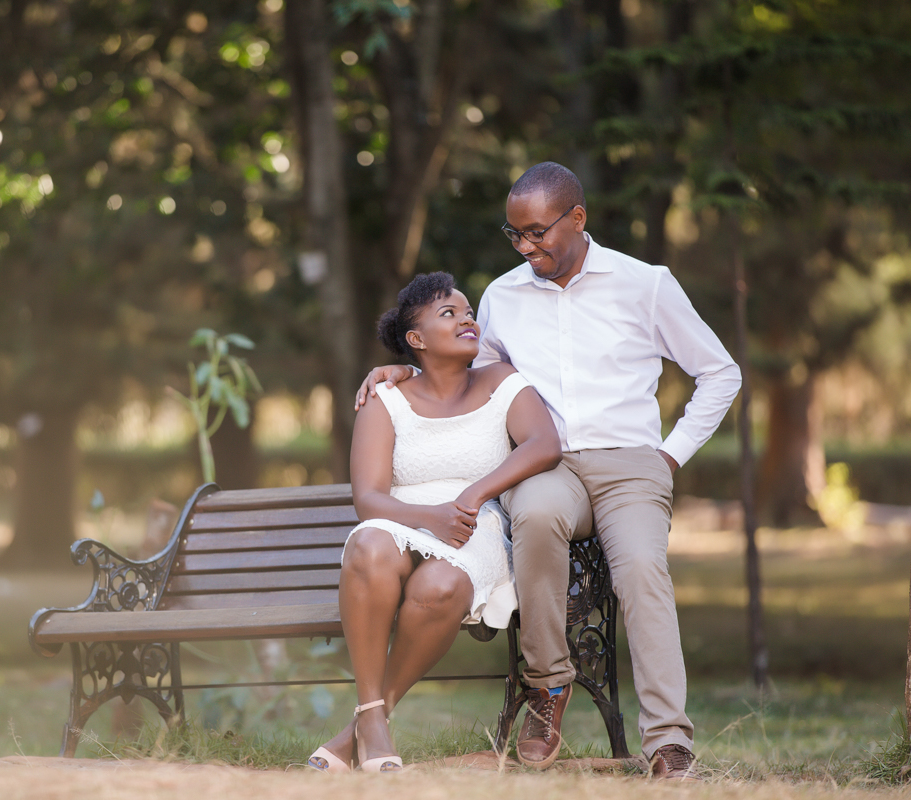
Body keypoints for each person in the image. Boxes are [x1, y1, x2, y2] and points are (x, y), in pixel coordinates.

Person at [355, 163, 741, 780]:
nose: (527, 246)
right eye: (515, 235)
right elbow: (464, 371)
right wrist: (402, 368)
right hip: (546, 463)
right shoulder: (504, 296)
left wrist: (671, 455)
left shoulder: (646, 284)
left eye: (537, 232)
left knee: (642, 568)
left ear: (577, 219)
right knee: (534, 514)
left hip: (630, 466)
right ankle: (547, 689)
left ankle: (668, 741)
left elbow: (720, 372)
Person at [307, 272, 561, 773]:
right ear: (416, 340)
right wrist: (430, 519)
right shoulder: (386, 399)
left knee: (442, 583)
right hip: (401, 518)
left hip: (474, 525)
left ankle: (362, 726)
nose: (467, 319)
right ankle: (373, 720)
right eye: (450, 313)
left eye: (468, 312)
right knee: (369, 547)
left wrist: (472, 496)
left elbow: (543, 444)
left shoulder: (501, 380)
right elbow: (369, 498)